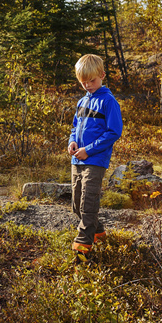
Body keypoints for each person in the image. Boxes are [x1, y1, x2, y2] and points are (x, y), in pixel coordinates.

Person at [67, 54, 123, 262]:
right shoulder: (82, 101)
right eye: (84, 82)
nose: (88, 85)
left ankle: (82, 246)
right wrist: (72, 142)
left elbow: (113, 132)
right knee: (76, 204)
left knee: (88, 203)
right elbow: (75, 127)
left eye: (92, 80)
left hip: (95, 160)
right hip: (77, 160)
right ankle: (98, 232)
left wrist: (89, 150)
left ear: (102, 75)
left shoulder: (109, 102)